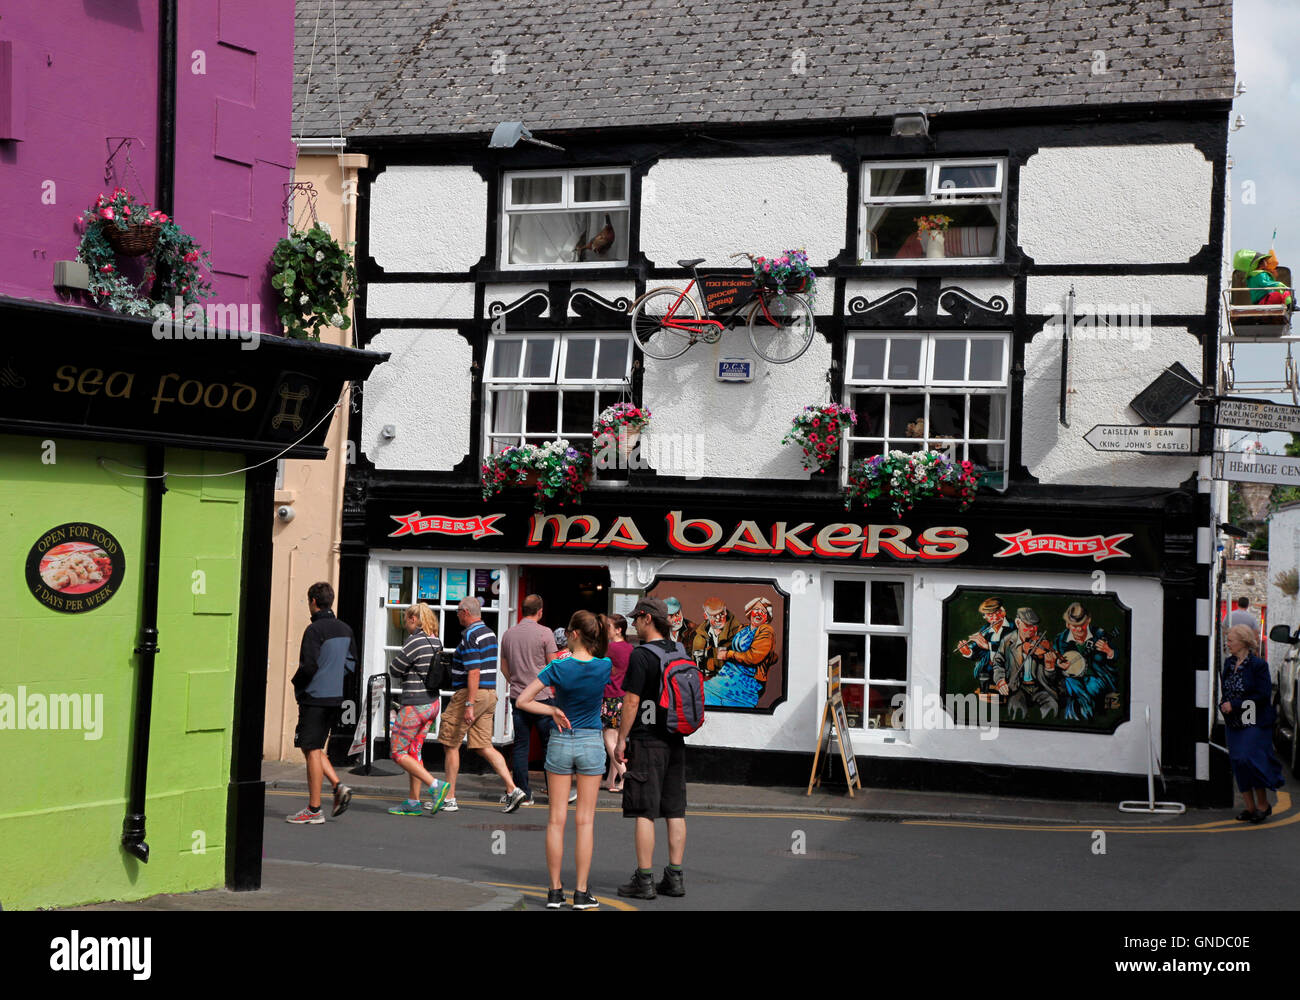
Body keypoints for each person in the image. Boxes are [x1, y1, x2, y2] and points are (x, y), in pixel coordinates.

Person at [517, 611, 613, 909]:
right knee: (585, 822)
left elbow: (523, 700)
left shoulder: (558, 666)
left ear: (573, 634)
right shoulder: (604, 666)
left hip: (561, 739)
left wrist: (552, 711)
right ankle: (582, 893)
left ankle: (555, 891)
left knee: (556, 820)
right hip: (591, 741)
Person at [615, 597, 688, 900]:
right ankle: (675, 877)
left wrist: (621, 739)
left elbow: (631, 702)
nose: (632, 624)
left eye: (636, 619)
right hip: (676, 738)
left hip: (647, 740)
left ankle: (644, 879)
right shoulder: (680, 650)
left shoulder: (641, 655)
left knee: (644, 810)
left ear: (647, 619)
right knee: (674, 810)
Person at [438, 596, 527, 813]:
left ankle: (449, 798)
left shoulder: (470, 635)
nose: (456, 615)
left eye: (458, 611)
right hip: (489, 694)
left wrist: (469, 703)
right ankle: (512, 789)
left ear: (466, 613)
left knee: (450, 743)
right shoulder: (489, 632)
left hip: (471, 695)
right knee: (483, 745)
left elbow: (474, 671)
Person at [287, 581, 356, 824]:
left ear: (314, 602)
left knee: (312, 749)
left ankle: (314, 809)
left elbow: (309, 666)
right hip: (334, 696)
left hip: (315, 697)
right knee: (312, 747)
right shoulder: (345, 629)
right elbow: (350, 665)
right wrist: (333, 677)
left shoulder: (314, 630)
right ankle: (338, 786)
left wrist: (297, 683)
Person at [385, 603, 452, 816]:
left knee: (397, 751)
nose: (405, 624)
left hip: (415, 705)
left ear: (414, 619)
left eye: (406, 620)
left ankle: (435, 786)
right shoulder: (436, 640)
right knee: (414, 751)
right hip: (432, 704)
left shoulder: (415, 641)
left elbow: (395, 668)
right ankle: (413, 802)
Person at [1221, 624, 1285, 823]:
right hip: (1234, 721)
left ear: (1242, 642)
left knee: (1250, 759)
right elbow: (1226, 690)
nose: (1227, 643)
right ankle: (1249, 807)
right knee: (1238, 762)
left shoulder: (1258, 665)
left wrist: (1236, 704)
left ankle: (1263, 805)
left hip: (1254, 720)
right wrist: (1223, 704)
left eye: (1231, 640)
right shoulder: (1229, 663)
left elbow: (1263, 695)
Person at [500, 595, 557, 806]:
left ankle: (523, 792)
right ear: (540, 611)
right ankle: (555, 792)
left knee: (521, 746)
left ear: (523, 610)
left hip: (518, 697)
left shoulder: (508, 634)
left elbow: (504, 667)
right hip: (542, 699)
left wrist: (516, 683)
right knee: (549, 746)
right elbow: (553, 666)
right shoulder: (545, 633)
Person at [1050, 602, 1118, 722]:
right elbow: (1055, 660)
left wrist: (1109, 651)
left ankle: (1075, 721)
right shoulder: (1060, 640)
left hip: (1096, 678)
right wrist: (1058, 664)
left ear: (1088, 621)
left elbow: (1116, 658)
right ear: (1067, 624)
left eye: (1082, 624)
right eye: (1074, 625)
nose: (1079, 629)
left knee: (1089, 687)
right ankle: (1087, 719)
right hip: (1072, 680)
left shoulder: (1100, 635)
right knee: (1071, 682)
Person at [990, 607, 1062, 720]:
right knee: (1016, 709)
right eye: (1028, 626)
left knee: (1052, 707)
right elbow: (998, 663)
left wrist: (1050, 668)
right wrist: (1000, 680)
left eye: (1035, 625)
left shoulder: (1043, 641)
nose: (1033, 629)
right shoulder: (1007, 641)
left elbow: (1052, 678)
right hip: (1017, 688)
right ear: (1018, 623)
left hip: (1040, 688)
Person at [710, 596, 777, 708]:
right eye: (756, 609)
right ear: (750, 612)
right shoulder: (743, 629)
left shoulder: (766, 630)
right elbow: (726, 643)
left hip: (747, 679)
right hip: (729, 672)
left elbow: (753, 657)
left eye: (763, 611)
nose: (759, 613)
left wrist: (728, 654)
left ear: (767, 617)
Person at [956, 598, 1015, 696]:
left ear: (1003, 612)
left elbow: (1012, 650)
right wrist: (968, 652)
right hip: (988, 674)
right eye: (991, 615)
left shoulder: (1013, 628)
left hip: (1007, 674)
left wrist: (988, 646)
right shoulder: (985, 629)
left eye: (998, 613)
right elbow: (978, 652)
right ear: (985, 617)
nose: (995, 618)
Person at [603, 613, 632, 792]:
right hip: (624, 697)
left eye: (608, 626)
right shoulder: (630, 648)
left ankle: (625, 776)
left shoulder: (611, 649)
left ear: (618, 629)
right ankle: (610, 781)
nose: (606, 630)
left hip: (611, 696)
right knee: (617, 739)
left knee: (608, 739)